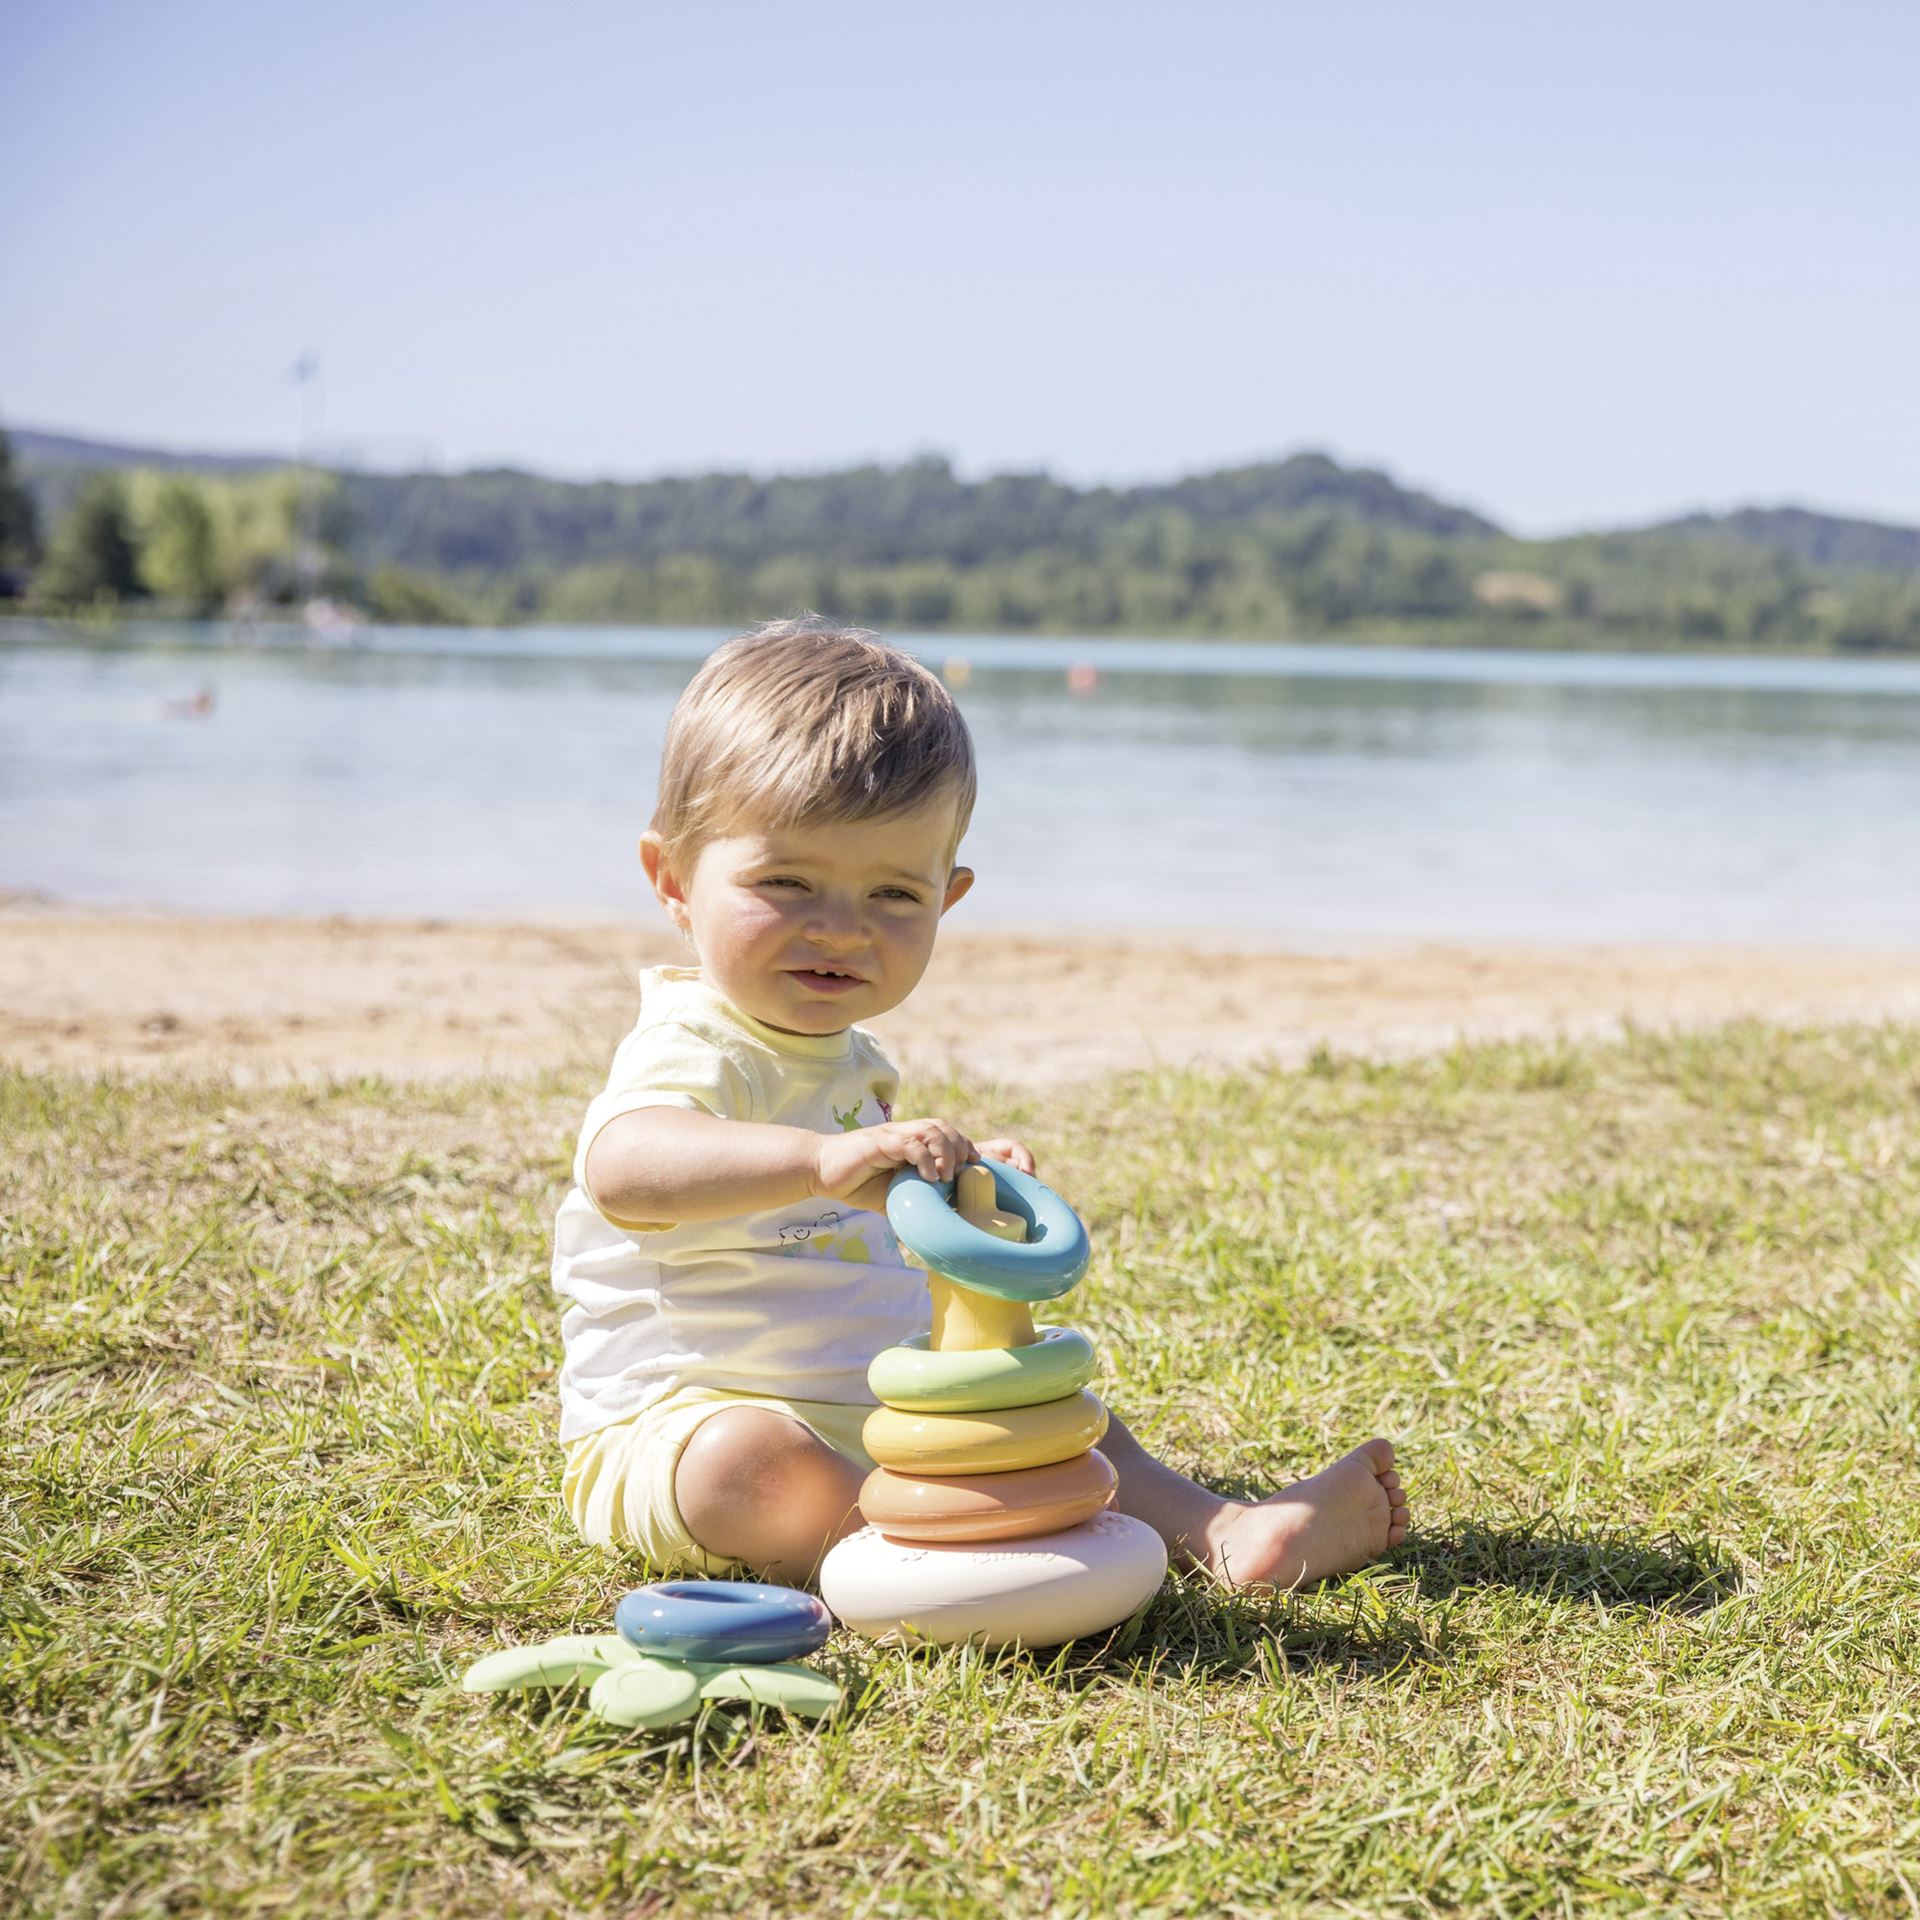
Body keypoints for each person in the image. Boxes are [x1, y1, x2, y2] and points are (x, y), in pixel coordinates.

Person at [553, 618, 1410, 1586]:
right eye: (786, 882)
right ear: (672, 879)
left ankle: (1222, 1532)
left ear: (948, 898)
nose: (842, 928)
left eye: (893, 897)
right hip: (684, 1425)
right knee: (745, 1467)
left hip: (874, 1408)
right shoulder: (694, 1042)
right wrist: (818, 1163)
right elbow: (627, 1168)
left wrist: (964, 1194)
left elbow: (871, 1227)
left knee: (1047, 1404)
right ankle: (930, 1554)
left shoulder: (851, 1058)